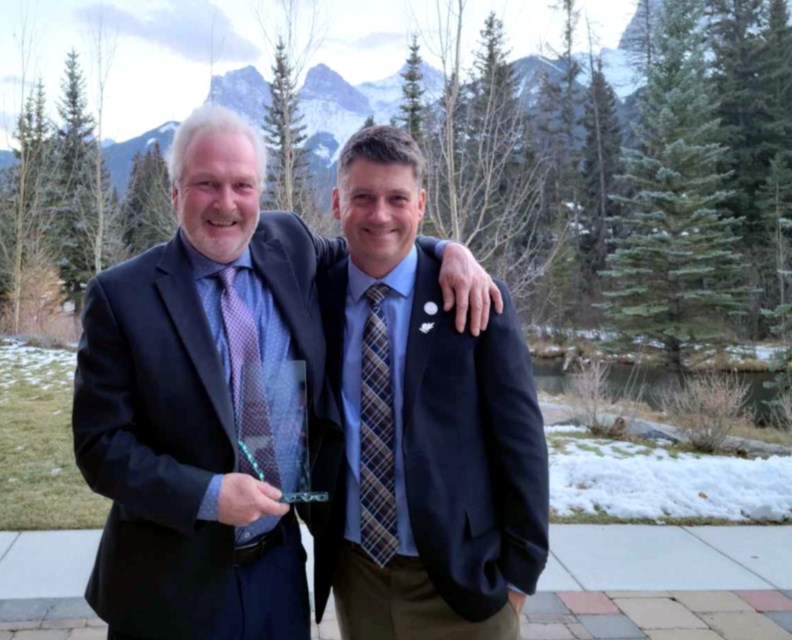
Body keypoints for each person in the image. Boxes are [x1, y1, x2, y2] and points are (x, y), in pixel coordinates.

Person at [71, 105, 498, 640]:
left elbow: (375, 241)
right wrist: (208, 494)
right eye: (207, 184)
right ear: (176, 191)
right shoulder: (121, 296)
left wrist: (449, 251)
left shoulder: (288, 244)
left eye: (242, 185)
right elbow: (100, 448)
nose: (226, 204)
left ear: (260, 192)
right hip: (169, 583)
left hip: (278, 570)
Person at [312, 125, 549, 640]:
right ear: (337, 202)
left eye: (397, 198)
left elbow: (523, 444)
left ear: (420, 205)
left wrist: (519, 579)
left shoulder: (476, 299)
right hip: (358, 577)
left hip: (465, 583)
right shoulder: (314, 296)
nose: (379, 215)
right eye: (363, 197)